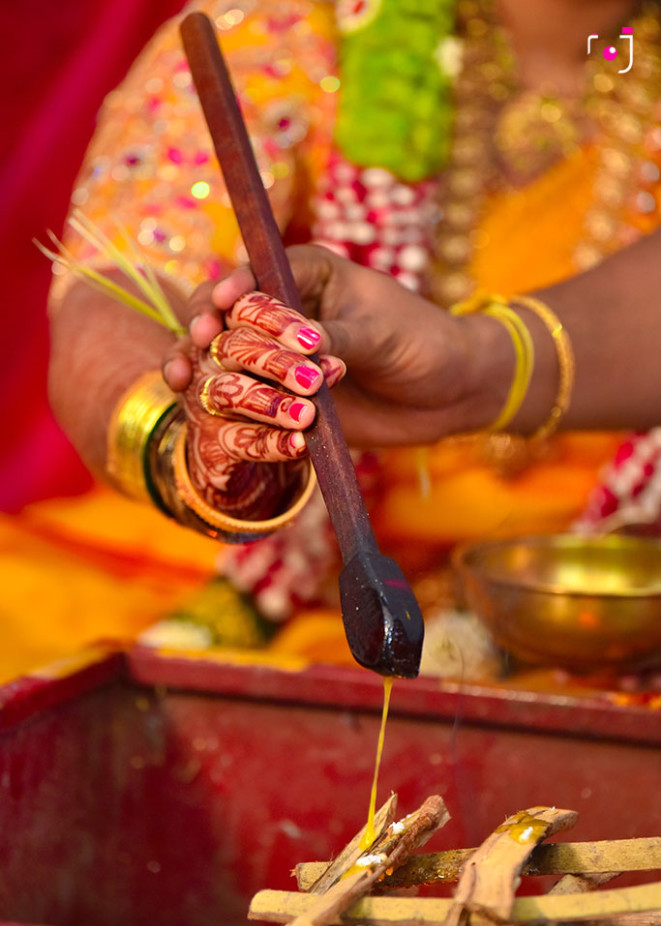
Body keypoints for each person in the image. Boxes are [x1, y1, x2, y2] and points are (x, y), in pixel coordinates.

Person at [13, 0, 661, 679]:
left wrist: (475, 362)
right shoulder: (296, 26)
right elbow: (122, 285)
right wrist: (197, 444)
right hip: (275, 578)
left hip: (609, 612)